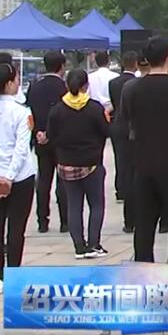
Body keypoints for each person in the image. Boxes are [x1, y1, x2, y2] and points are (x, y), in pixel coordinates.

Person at [121, 37, 168, 264]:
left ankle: (143, 269)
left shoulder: (133, 89)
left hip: (143, 162)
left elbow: (128, 121)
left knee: (144, 223)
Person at [47, 69, 110, 259]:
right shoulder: (94, 108)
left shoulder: (57, 110)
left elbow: (51, 135)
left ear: (67, 85)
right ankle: (94, 244)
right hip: (92, 163)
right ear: (86, 86)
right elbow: (106, 131)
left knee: (74, 206)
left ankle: (79, 248)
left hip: (66, 164)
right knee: (96, 205)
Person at [0, 63, 37, 289]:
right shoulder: (22, 112)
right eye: (15, 80)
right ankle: (13, 273)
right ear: (8, 84)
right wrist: (9, 177)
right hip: (20, 178)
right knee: (16, 229)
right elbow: (22, 149)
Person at [25, 50, 68, 234]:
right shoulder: (64, 87)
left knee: (43, 180)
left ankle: (42, 220)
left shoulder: (34, 87)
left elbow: (30, 112)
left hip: (40, 139)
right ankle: (65, 221)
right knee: (63, 180)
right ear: (62, 66)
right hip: (61, 139)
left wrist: (38, 133)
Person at [108, 52, 138, 231]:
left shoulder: (114, 83)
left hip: (118, 125)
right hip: (133, 127)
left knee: (121, 163)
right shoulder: (136, 84)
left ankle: (121, 190)